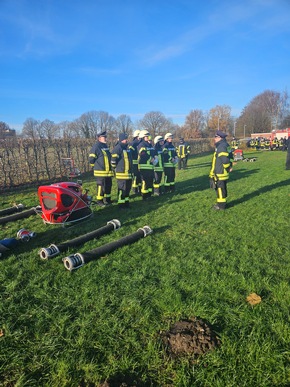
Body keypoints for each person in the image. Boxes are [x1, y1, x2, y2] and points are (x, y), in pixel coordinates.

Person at [209, 130, 233, 210]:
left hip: (220, 172)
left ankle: (221, 206)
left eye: (215, 137)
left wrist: (228, 167)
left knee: (220, 189)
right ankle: (221, 203)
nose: (214, 138)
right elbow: (231, 157)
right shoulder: (226, 145)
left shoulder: (221, 146)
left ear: (220, 138)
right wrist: (230, 166)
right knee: (222, 188)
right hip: (223, 172)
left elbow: (225, 160)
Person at [89, 131, 114, 207]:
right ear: (99, 138)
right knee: (101, 186)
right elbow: (91, 159)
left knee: (108, 185)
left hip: (108, 171)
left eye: (106, 137)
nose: (106, 138)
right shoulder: (96, 146)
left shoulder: (105, 146)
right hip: (100, 171)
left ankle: (108, 200)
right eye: (104, 137)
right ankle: (100, 201)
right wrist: (96, 166)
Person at [111, 133, 133, 209]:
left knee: (127, 190)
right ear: (121, 139)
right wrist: (116, 169)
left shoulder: (127, 148)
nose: (126, 140)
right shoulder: (118, 148)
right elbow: (113, 161)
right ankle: (121, 205)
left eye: (126, 138)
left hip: (128, 173)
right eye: (124, 139)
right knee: (122, 190)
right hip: (122, 173)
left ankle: (126, 203)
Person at [137, 130, 156, 200]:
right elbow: (143, 154)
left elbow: (153, 152)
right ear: (143, 137)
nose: (148, 138)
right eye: (146, 136)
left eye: (148, 136)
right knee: (145, 182)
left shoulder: (150, 145)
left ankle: (149, 195)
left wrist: (155, 157)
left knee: (150, 181)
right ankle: (144, 196)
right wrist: (151, 158)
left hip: (151, 167)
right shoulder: (141, 145)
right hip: (144, 167)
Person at [129, 130, 142, 195]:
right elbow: (130, 154)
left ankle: (140, 188)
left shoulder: (140, 143)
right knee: (135, 176)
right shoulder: (133, 143)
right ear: (137, 136)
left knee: (139, 176)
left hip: (139, 163)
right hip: (134, 163)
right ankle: (135, 189)